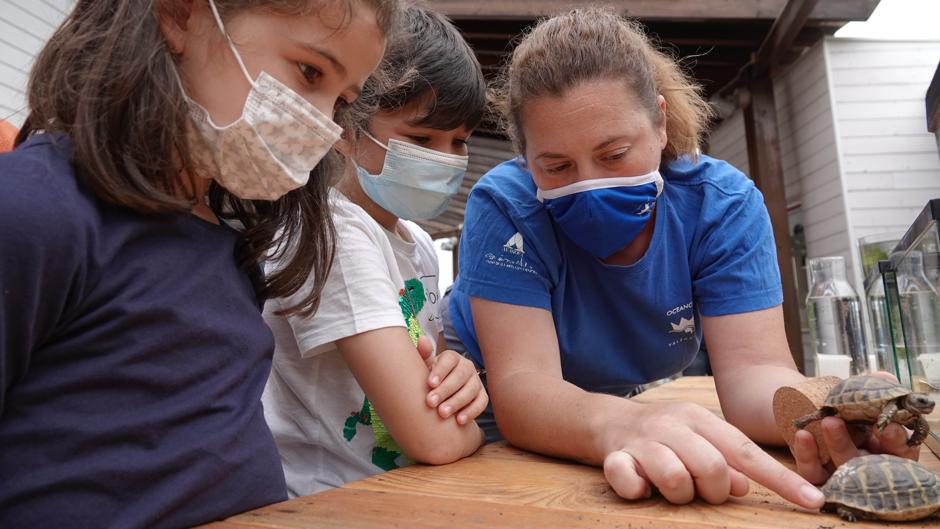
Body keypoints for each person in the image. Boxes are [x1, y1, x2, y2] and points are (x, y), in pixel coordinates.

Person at [447, 7, 918, 510]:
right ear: (524, 156)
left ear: (661, 124)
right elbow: (523, 390)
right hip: (482, 410)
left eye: (614, 154)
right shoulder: (506, 206)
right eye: (556, 166)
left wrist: (823, 415)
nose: (588, 184)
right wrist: (626, 424)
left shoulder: (722, 205)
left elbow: (754, 372)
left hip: (614, 415)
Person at [0, 0, 395, 527]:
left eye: (341, 99)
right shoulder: (32, 209)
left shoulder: (230, 243)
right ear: (179, 15)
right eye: (309, 71)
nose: (322, 123)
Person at [262, 5, 488, 496]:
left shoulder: (418, 243)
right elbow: (434, 435)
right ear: (346, 129)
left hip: (394, 493)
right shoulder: (332, 233)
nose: (444, 159)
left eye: (459, 142)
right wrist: (473, 427)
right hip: (327, 500)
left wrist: (461, 379)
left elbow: (440, 393)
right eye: (421, 137)